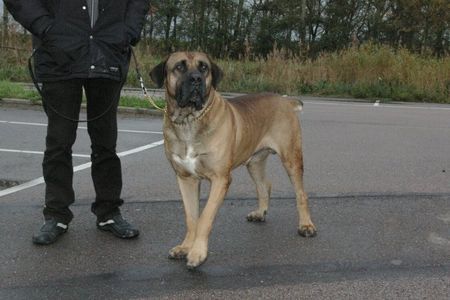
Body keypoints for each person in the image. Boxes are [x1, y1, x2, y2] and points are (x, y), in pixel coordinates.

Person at [4, 0, 150, 245]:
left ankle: (109, 212)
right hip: (58, 56)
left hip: (109, 52)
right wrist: (47, 28)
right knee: (59, 142)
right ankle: (56, 214)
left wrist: (128, 32)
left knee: (106, 142)